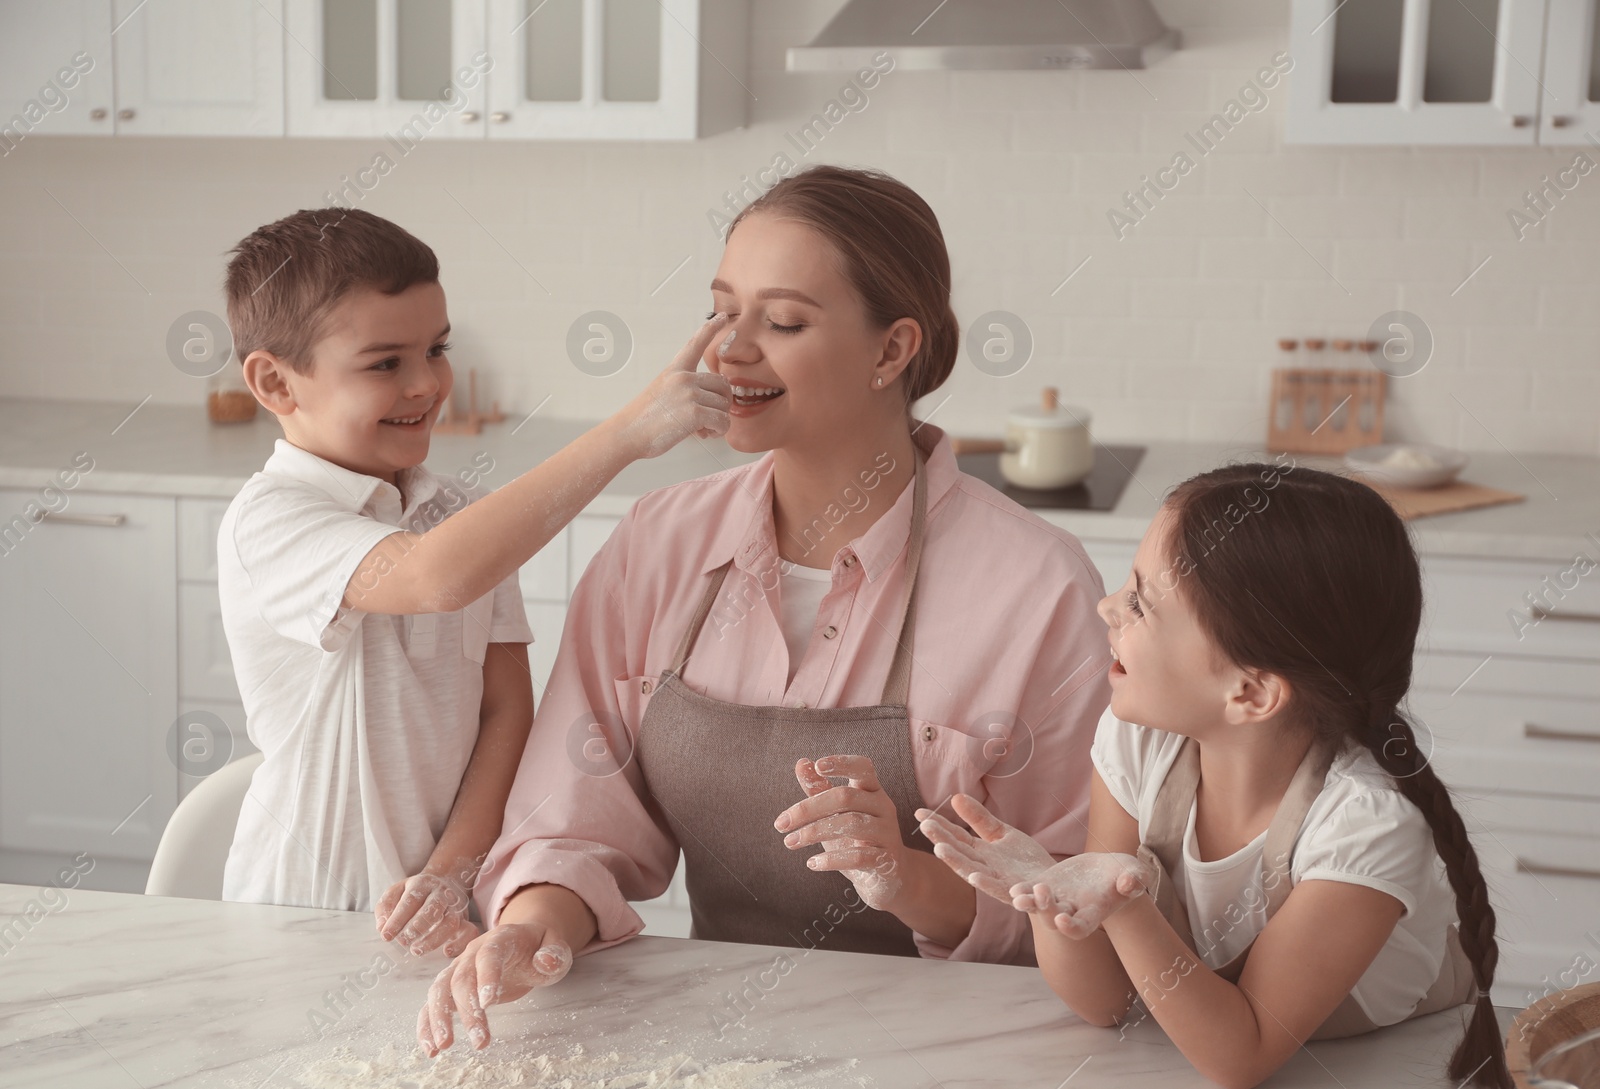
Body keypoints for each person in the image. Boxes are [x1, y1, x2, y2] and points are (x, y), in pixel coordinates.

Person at [416, 166, 1112, 1055]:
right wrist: (530, 929)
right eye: (721, 310)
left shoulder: (1037, 588)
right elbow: (573, 821)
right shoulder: (658, 544)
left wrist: (904, 877)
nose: (728, 349)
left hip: (973, 1047)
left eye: (781, 322)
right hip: (721, 1038)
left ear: (893, 350)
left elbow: (1076, 910)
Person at [216, 207, 733, 961]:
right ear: (274, 381)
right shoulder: (271, 518)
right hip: (300, 913)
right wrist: (626, 434)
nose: (426, 382)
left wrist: (451, 874)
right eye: (385, 362)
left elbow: (503, 710)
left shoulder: (455, 512)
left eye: (437, 348)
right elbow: (435, 577)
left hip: (440, 914)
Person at [920, 463, 1511, 1089]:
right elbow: (1106, 1002)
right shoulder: (1137, 743)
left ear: (1250, 693)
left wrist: (1121, 904)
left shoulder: (1365, 824)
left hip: (1400, 1064)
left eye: (1139, 604)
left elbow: (1241, 1054)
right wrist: (1053, 897)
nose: (1105, 605)